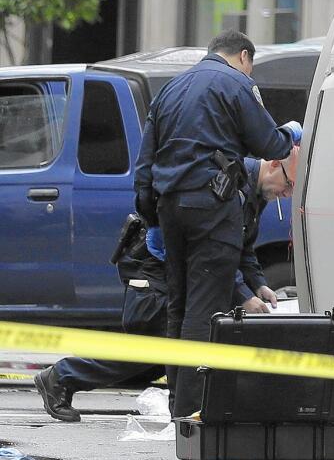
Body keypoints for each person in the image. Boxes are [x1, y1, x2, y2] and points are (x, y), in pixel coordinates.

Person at [34, 151, 300, 422]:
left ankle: (64, 378)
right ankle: (61, 377)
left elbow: (242, 247)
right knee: (162, 345)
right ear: (274, 166)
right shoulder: (231, 183)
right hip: (155, 270)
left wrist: (259, 284)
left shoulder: (256, 193)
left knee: (156, 355)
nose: (287, 194)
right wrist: (243, 295)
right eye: (288, 185)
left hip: (173, 271)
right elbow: (209, 247)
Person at [132, 30, 301, 417]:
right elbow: (270, 146)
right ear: (244, 56)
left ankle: (178, 403)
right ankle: (191, 412)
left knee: (179, 305)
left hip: (170, 208)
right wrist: (288, 134)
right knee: (204, 309)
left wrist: (150, 217)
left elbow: (145, 163)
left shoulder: (170, 90)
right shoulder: (237, 83)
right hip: (212, 206)